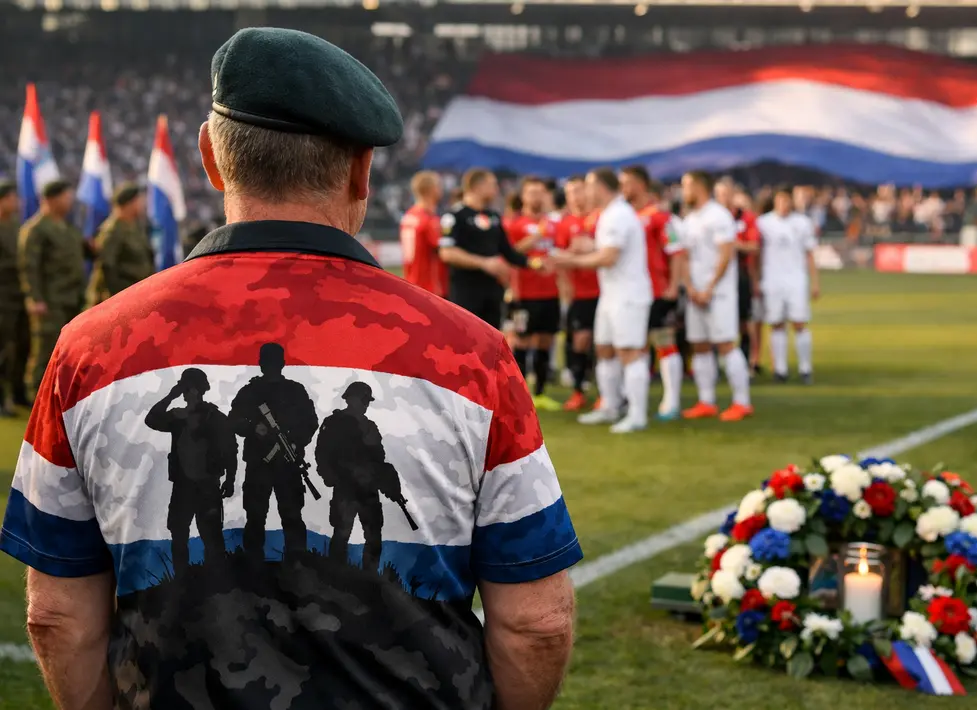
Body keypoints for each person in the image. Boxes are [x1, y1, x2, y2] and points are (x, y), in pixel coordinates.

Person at [0, 28, 579, 710]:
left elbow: (57, 616)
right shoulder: (472, 353)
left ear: (211, 160)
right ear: (363, 172)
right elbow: (535, 621)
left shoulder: (88, 348)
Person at [553, 167, 652, 434]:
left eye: (588, 185)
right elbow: (605, 251)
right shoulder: (609, 214)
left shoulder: (618, 214)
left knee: (629, 352)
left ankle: (637, 414)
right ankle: (610, 406)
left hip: (628, 294)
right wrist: (587, 249)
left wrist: (569, 259)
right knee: (605, 349)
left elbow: (609, 257)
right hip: (612, 294)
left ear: (600, 187)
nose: (585, 192)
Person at [229, 342, 319, 561]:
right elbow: (233, 421)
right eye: (267, 362)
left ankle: (296, 565)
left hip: (287, 465)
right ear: (261, 364)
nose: (269, 366)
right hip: (259, 463)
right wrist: (253, 427)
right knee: (256, 515)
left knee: (291, 516)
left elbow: (310, 422)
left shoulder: (295, 391)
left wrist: (296, 443)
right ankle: (254, 565)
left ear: (282, 364)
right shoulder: (250, 392)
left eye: (273, 362)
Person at [145, 367, 237, 575]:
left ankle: (216, 584)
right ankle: (183, 582)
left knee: (211, 536)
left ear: (196, 390)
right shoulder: (178, 417)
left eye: (186, 388)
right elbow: (151, 420)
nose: (185, 393)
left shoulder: (214, 417)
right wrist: (171, 395)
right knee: (179, 534)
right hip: (183, 485)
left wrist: (230, 479)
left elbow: (230, 449)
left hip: (207, 485)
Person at [679, 171, 753, 422]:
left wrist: (709, 287)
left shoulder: (718, 215)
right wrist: (689, 286)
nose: (683, 190)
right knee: (699, 345)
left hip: (718, 293)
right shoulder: (689, 219)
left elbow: (725, 254)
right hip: (696, 293)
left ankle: (742, 402)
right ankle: (706, 400)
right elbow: (685, 257)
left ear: (699, 186)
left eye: (686, 185)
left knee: (725, 344)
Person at [315, 381, 410, 572]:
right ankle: (335, 576)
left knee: (373, 536)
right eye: (363, 399)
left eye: (367, 400)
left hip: (368, 489)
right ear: (350, 399)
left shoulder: (370, 427)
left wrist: (387, 483)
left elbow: (379, 459)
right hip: (345, 487)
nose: (365, 404)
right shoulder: (334, 423)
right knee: (342, 534)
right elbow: (322, 454)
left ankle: (370, 578)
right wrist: (330, 475)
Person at [439, 168, 551, 328]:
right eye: (492, 184)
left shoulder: (494, 217)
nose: (496, 189)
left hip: (493, 293)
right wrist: (484, 263)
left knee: (491, 345)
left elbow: (509, 253)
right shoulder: (455, 216)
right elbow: (447, 253)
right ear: (477, 186)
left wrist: (535, 263)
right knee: (466, 343)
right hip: (466, 293)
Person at [620, 166, 686, 420]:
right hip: (632, 292)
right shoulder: (624, 215)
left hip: (657, 290)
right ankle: (637, 401)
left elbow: (677, 252)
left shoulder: (660, 216)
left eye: (626, 183)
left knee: (664, 342)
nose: (623, 188)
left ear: (640, 184)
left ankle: (672, 401)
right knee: (637, 346)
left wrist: (673, 286)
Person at [17, 179, 85, 402]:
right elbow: (30, 267)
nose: (69, 201)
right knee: (45, 350)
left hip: (71, 298)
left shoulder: (67, 228)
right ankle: (35, 398)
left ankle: (58, 397)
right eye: (66, 196)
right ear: (52, 198)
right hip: (50, 300)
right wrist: (35, 298)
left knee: (68, 353)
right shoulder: (36, 229)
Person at [505, 176, 562, 411]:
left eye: (540, 192)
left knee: (545, 341)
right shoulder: (514, 224)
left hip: (550, 293)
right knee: (521, 340)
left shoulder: (553, 224)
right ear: (523, 196)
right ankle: (517, 394)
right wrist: (534, 239)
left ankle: (539, 393)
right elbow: (510, 253)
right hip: (523, 295)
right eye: (531, 193)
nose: (536, 197)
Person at [757, 186, 820, 383]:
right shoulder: (763, 223)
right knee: (776, 324)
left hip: (796, 279)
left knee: (799, 323)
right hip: (772, 279)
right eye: (780, 200)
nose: (784, 204)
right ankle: (780, 370)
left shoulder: (803, 223)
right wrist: (757, 279)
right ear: (775, 201)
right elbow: (757, 255)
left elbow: (810, 254)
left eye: (787, 200)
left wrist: (815, 282)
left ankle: (805, 368)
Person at [555, 175, 598, 411]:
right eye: (571, 192)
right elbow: (558, 258)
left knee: (603, 343)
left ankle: (605, 392)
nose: (575, 196)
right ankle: (579, 390)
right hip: (579, 293)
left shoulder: (600, 218)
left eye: (579, 190)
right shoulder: (565, 224)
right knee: (579, 340)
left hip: (603, 290)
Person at [85, 183, 154, 307]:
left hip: (136, 294)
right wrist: (116, 299)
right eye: (138, 201)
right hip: (120, 298)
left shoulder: (134, 226)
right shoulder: (112, 230)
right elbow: (107, 268)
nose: (142, 204)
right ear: (129, 204)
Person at [729, 186, 764, 376]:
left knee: (746, 321)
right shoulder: (715, 217)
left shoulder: (748, 219)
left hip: (742, 276)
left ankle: (748, 361)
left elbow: (754, 247)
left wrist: (734, 246)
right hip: (719, 277)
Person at [400, 170, 448, 298]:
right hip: (429, 288)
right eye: (439, 185)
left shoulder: (408, 216)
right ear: (432, 189)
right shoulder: (429, 220)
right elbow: (444, 252)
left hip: (411, 281)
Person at [0, 181, 22, 416]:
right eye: (12, 197)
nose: (16, 202)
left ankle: (17, 394)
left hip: (16, 295)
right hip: (3, 295)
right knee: (3, 349)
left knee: (18, 347)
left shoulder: (15, 225)